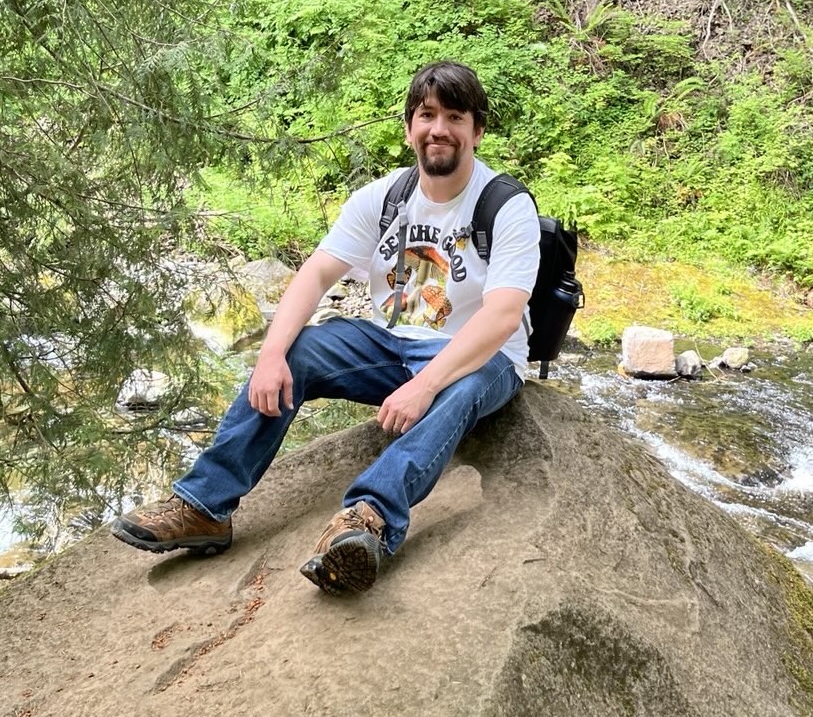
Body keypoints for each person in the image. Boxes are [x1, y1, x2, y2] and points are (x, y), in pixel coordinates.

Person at [111, 61, 540, 593]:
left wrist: (425, 386)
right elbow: (315, 273)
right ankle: (205, 507)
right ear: (409, 127)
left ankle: (367, 521)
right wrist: (270, 356)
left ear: (476, 130)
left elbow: (501, 315)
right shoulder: (383, 198)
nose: (439, 129)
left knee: (463, 386)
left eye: (456, 116)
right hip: (393, 344)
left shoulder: (505, 204)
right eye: (427, 114)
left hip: (481, 358)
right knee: (301, 350)